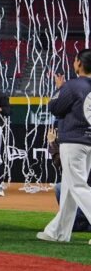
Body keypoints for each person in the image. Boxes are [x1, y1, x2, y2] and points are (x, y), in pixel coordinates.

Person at [37, 49, 91, 243]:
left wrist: (59, 89)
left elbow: (55, 108)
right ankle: (57, 232)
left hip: (74, 140)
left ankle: (58, 232)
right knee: (69, 187)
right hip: (89, 140)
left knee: (77, 185)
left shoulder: (73, 85)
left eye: (75, 60)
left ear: (79, 64)